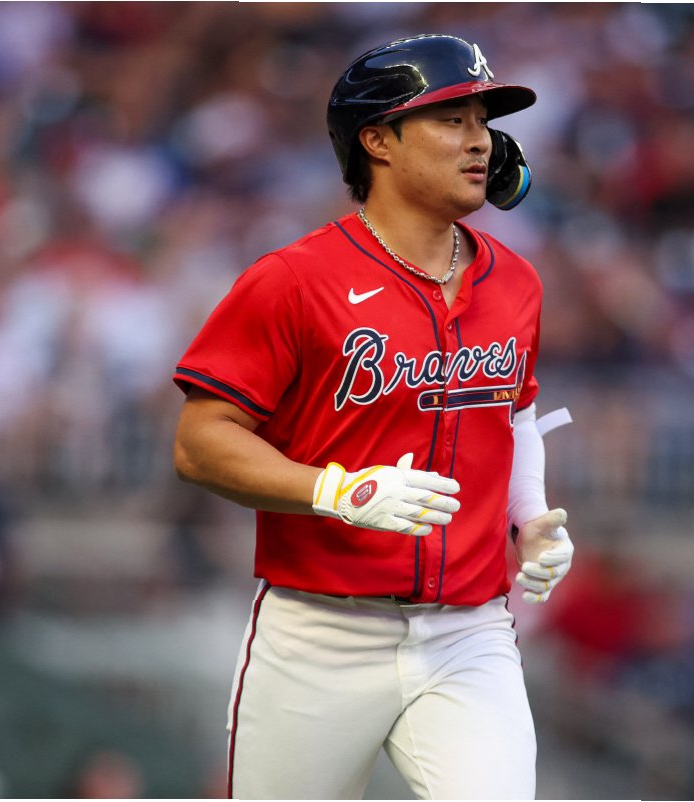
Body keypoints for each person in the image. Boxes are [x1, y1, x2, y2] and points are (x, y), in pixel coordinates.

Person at [172, 34, 574, 800]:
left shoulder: (516, 282)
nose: (479, 140)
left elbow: (514, 413)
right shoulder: (293, 280)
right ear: (378, 140)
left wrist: (529, 518)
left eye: (483, 120)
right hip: (319, 631)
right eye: (451, 119)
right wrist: (336, 490)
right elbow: (199, 443)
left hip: (469, 632)